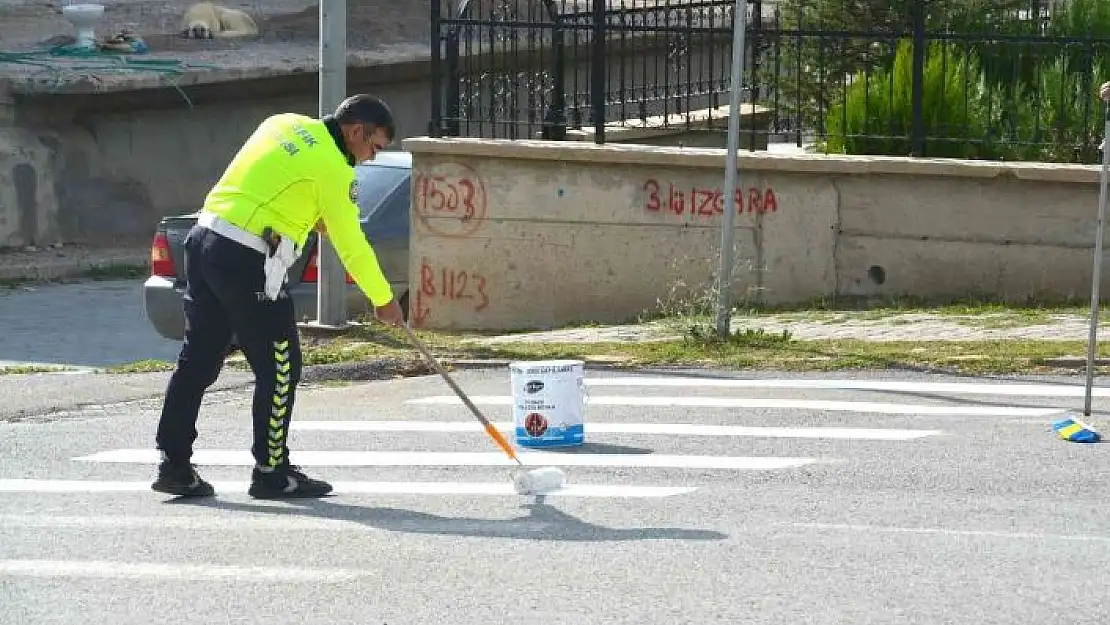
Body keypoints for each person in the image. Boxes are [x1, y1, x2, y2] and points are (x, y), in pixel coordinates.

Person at [151, 94, 405, 499]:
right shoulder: (336, 171)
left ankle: (174, 463)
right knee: (280, 366)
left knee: (198, 358)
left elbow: (269, 182)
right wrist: (383, 298)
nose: (371, 158)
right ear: (357, 131)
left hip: (203, 241)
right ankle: (271, 471)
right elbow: (352, 243)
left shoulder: (282, 122)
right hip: (248, 258)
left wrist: (308, 213)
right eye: (373, 147)